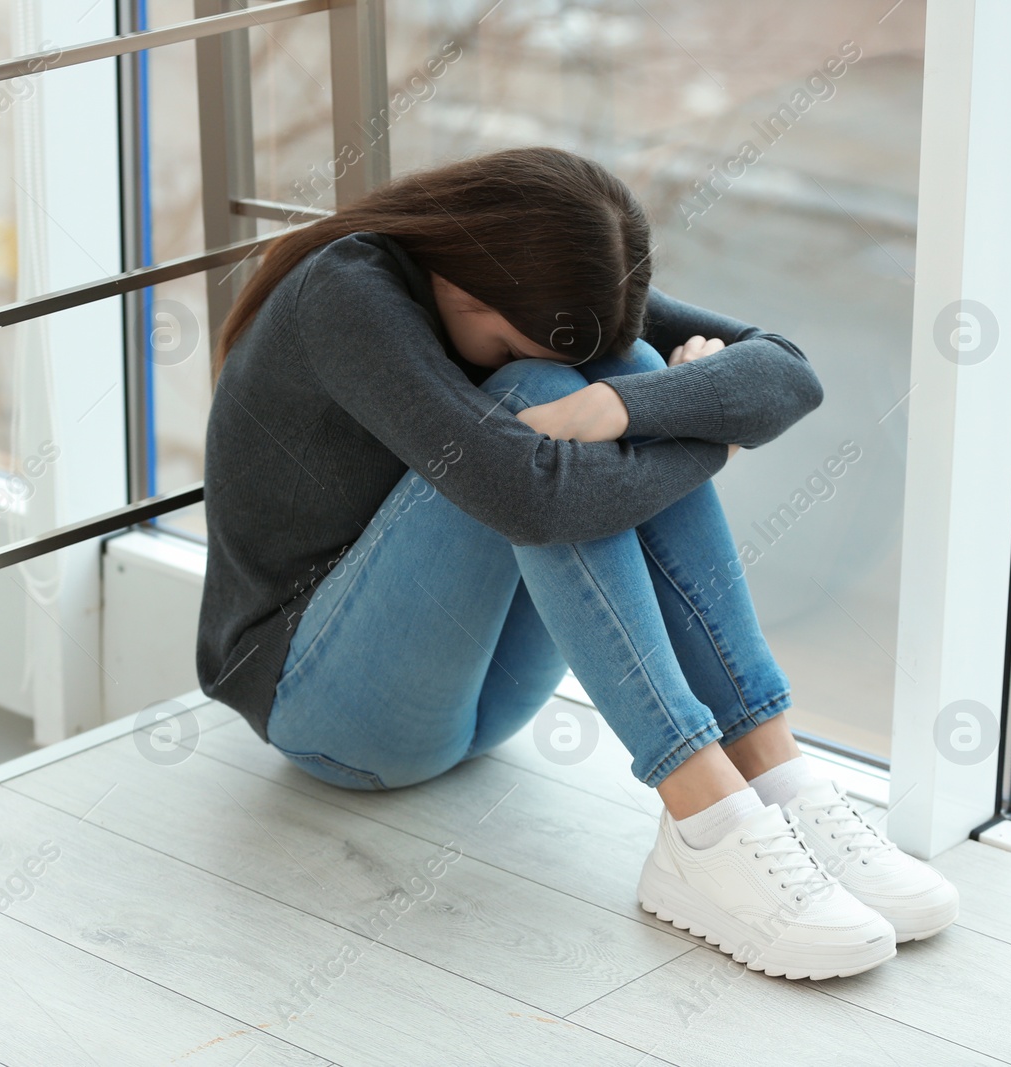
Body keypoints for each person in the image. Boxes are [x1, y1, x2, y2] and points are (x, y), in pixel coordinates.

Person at [195, 145, 957, 980]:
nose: (505, 350)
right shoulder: (345, 295)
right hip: (329, 711)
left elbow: (786, 374)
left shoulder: (527, 285)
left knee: (624, 367)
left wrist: (628, 401)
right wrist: (710, 438)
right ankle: (704, 822)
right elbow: (529, 498)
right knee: (532, 410)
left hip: (482, 703)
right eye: (500, 334)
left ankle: (777, 778)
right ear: (463, 284)